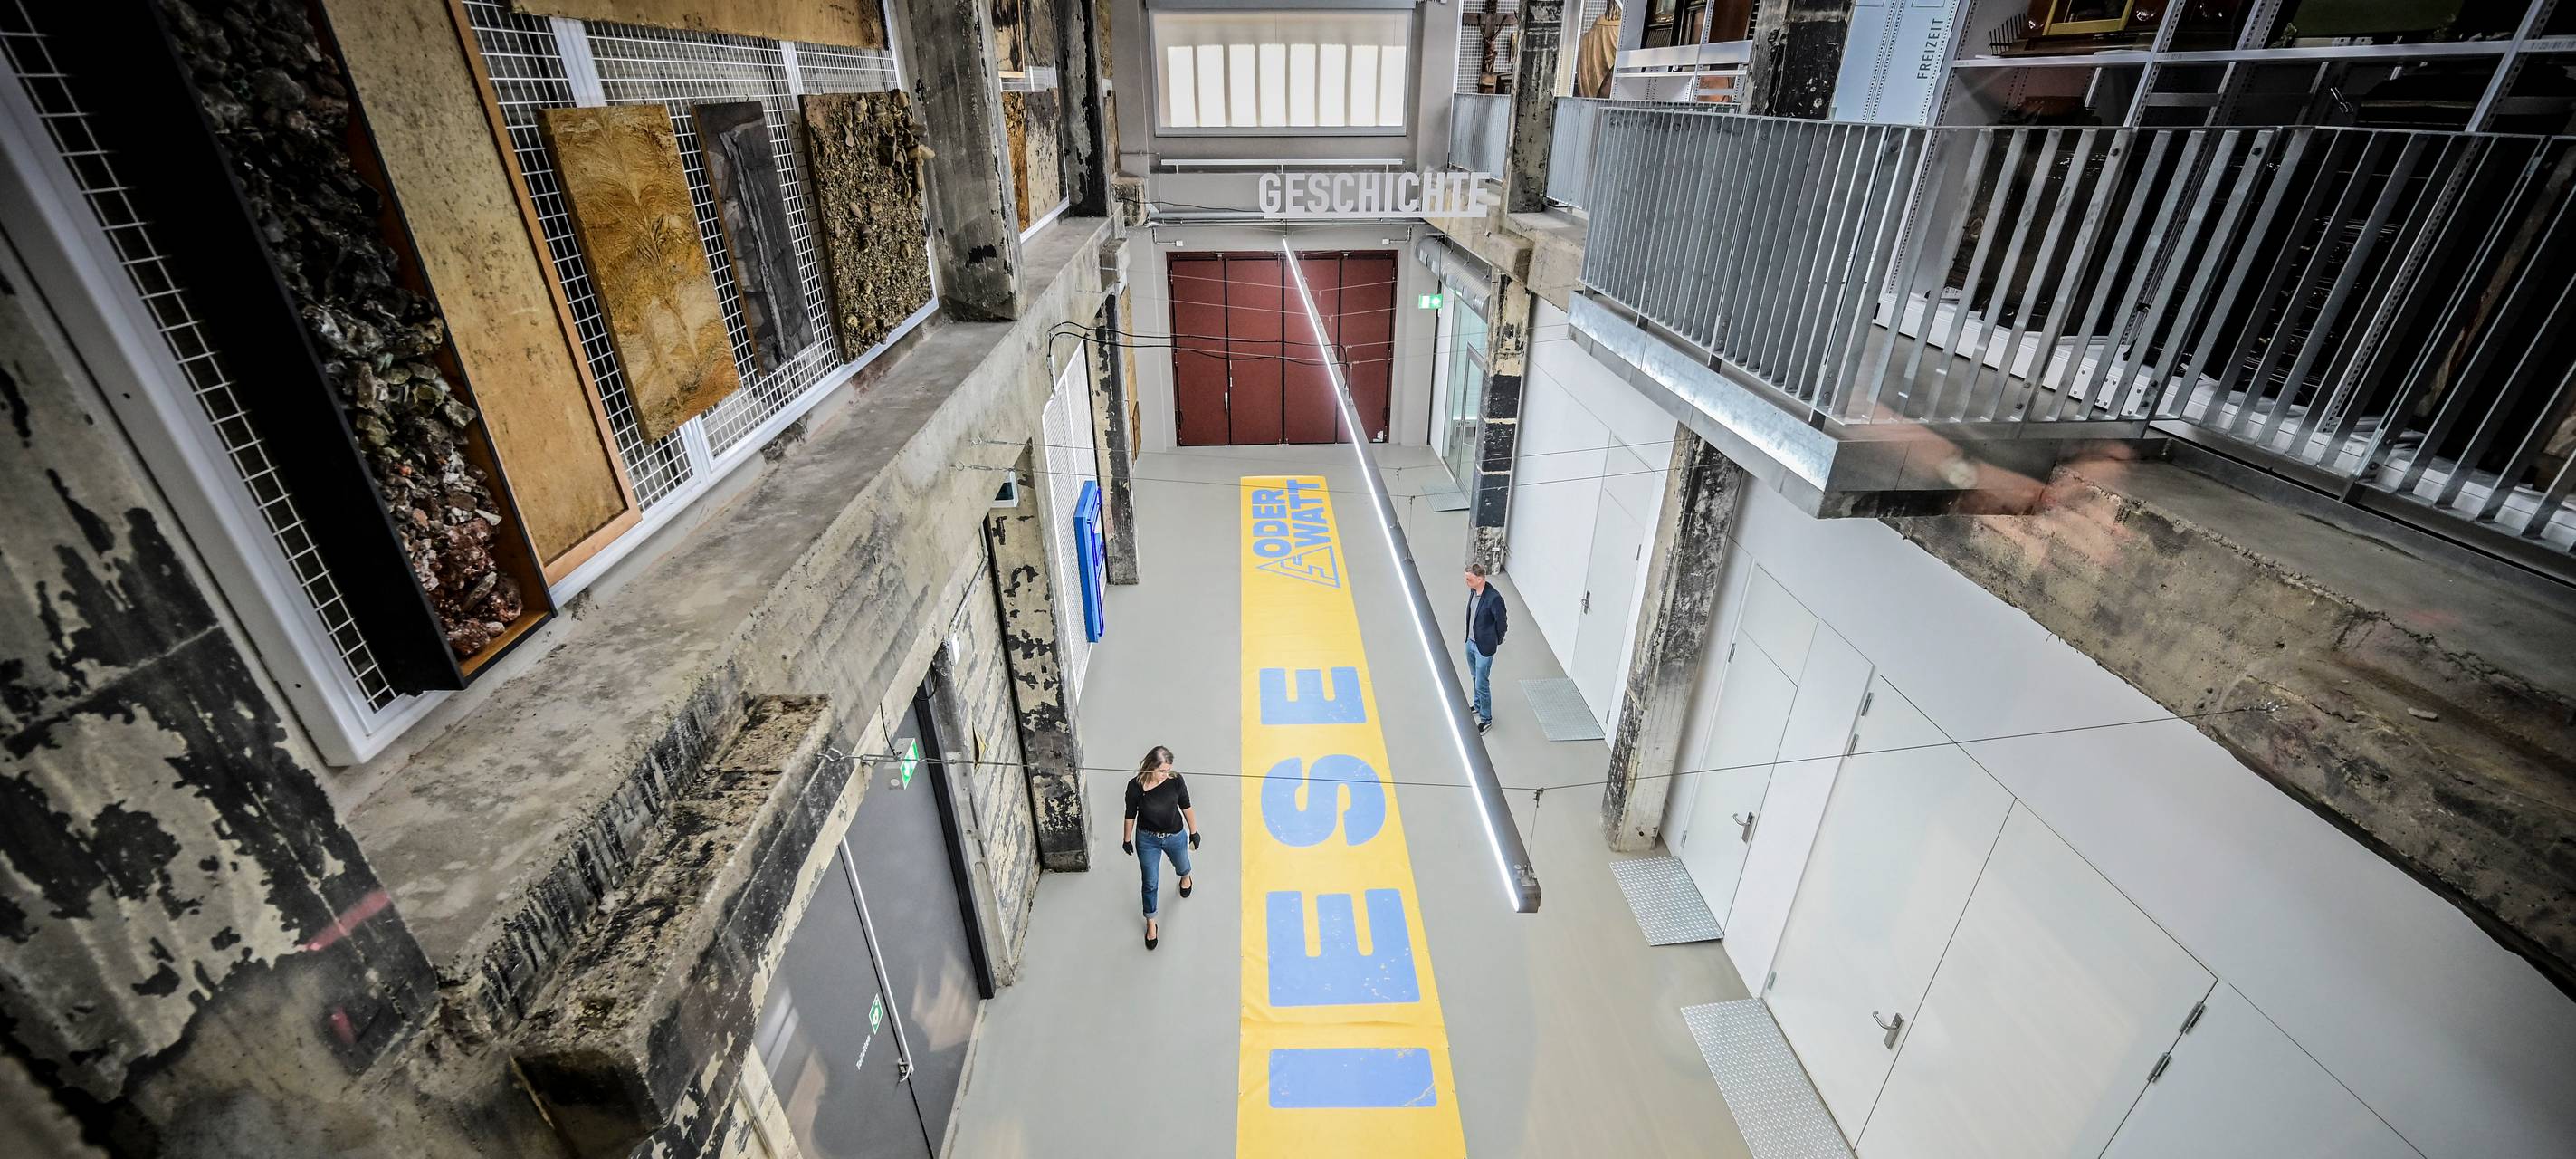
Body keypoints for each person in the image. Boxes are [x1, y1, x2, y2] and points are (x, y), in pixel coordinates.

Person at [1121, 746, 1200, 950]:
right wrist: (1127, 839)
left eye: (1168, 770)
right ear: (1150, 768)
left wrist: (1194, 832)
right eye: (1162, 771)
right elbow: (1130, 814)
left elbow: (1186, 806)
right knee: (1150, 882)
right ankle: (1151, 922)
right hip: (1147, 840)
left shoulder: (1175, 781)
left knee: (1182, 865)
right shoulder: (1135, 787)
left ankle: (1185, 877)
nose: (1166, 775)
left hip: (1174, 835)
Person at [1464, 563, 1509, 733]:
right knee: (1475, 677)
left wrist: (1496, 640)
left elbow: (1502, 623)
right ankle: (1476, 706)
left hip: (1484, 647)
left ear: (1480, 579)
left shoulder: (1494, 598)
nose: (1466, 582)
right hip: (1471, 642)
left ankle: (1486, 719)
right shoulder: (1473, 591)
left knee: (1482, 683)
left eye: (1469, 579)